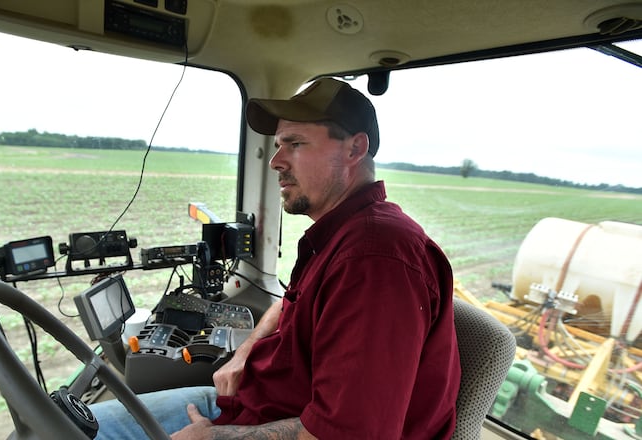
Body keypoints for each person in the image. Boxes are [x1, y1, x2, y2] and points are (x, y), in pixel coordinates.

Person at [91, 77, 461, 439]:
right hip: (251, 410)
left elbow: (350, 433)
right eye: (278, 145)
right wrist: (244, 354)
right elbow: (290, 303)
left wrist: (212, 439)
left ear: (354, 149)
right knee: (73, 422)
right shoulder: (341, 235)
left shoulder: (374, 258)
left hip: (263, 426)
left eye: (295, 144)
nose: (276, 161)